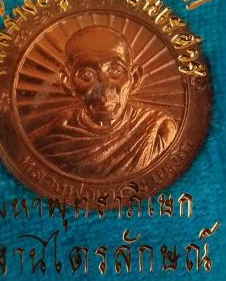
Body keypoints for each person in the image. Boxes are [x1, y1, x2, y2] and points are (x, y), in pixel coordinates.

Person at [28, 25, 177, 178]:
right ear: (68, 83)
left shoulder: (158, 130)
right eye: (87, 74)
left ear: (134, 78)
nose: (103, 89)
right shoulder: (48, 141)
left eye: (115, 71)